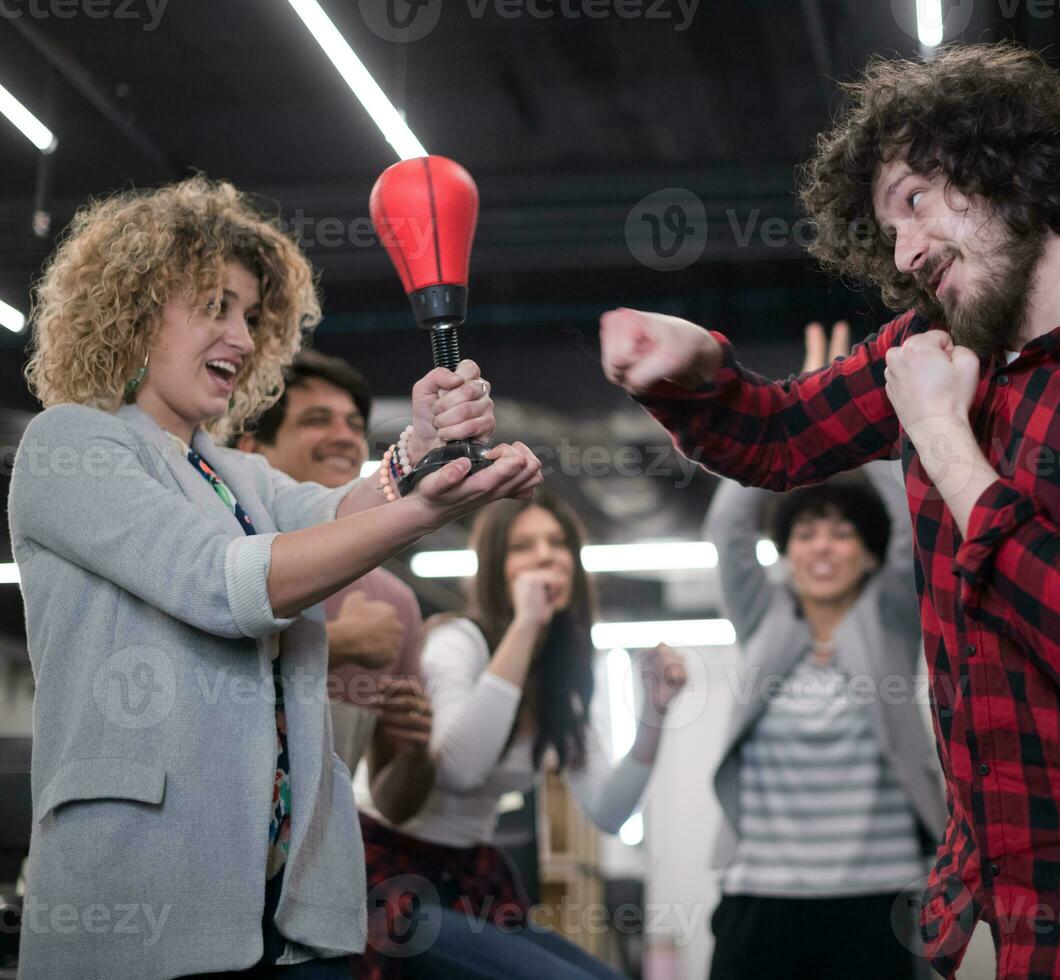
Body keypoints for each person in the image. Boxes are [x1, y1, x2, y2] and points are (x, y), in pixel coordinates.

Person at [601, 43, 1060, 979]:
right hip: (1015, 905)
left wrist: (941, 437)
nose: (904, 252)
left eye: (915, 201)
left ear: (1011, 167)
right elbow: (777, 438)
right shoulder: (936, 345)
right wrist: (699, 370)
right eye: (885, 231)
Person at [10, 176, 542, 979]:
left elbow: (341, 513)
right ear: (135, 307)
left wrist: (422, 443)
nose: (243, 335)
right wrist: (423, 510)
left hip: (279, 902)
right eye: (216, 305)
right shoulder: (71, 445)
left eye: (253, 316)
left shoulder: (236, 476)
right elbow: (224, 584)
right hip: (136, 893)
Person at [352, 492, 686, 980]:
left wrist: (654, 713)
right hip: (387, 876)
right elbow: (461, 769)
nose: (546, 556)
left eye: (557, 544)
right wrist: (527, 625)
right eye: (523, 547)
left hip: (466, 877)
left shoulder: (561, 679)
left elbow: (610, 811)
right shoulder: (458, 641)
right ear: (494, 570)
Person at [703, 322, 944, 980]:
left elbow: (904, 521)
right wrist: (792, 414)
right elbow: (726, 528)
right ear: (786, 551)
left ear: (866, 554)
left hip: (878, 896)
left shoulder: (889, 619)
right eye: (807, 533)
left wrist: (839, 423)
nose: (823, 548)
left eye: (841, 534)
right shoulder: (764, 620)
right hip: (763, 893)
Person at [236, 350, 434, 824]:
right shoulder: (221, 564)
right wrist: (340, 643)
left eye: (352, 423)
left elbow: (396, 805)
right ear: (250, 452)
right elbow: (195, 682)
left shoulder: (393, 603)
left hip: (322, 859)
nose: (345, 437)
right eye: (317, 420)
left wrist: (414, 750)